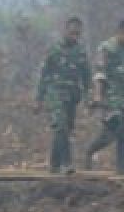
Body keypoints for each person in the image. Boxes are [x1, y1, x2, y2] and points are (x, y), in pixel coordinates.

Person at [35, 16, 91, 174]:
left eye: (77, 33)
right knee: (61, 127)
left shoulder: (81, 52)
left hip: (72, 96)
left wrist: (89, 98)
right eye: (72, 32)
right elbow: (44, 74)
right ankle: (67, 164)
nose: (75, 35)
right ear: (65, 30)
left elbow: (87, 77)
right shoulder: (54, 50)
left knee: (66, 130)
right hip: (55, 94)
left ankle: (54, 164)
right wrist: (39, 98)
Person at [84, 19, 124, 174]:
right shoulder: (107, 48)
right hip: (111, 99)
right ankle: (90, 151)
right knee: (115, 129)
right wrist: (98, 95)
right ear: (121, 31)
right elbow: (100, 73)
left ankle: (123, 167)